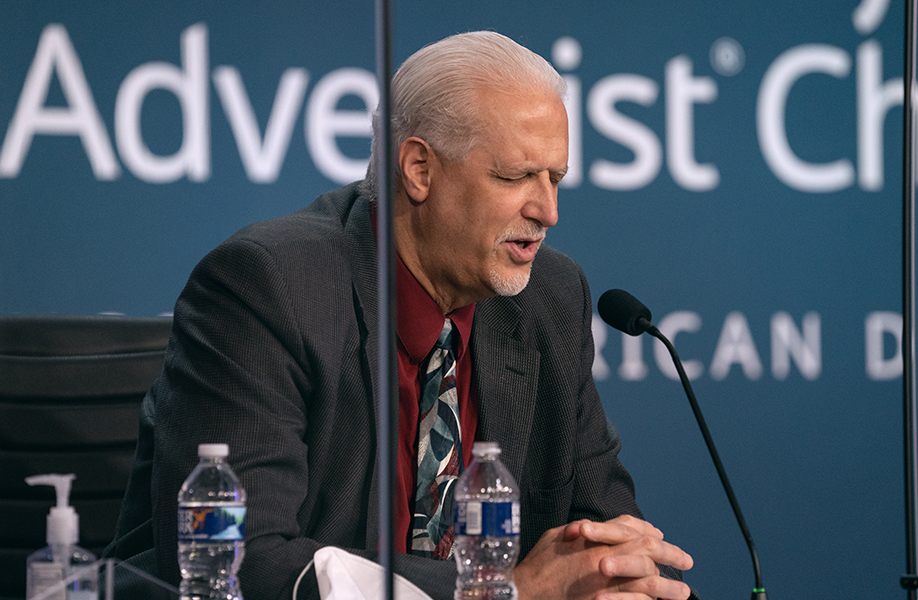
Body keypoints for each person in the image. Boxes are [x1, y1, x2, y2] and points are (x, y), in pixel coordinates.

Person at [105, 31, 696, 600]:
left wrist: (618, 572)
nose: (548, 211)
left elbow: (600, 528)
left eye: (556, 178)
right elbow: (241, 564)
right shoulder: (268, 288)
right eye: (516, 177)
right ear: (418, 170)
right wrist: (500, 591)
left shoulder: (548, 298)